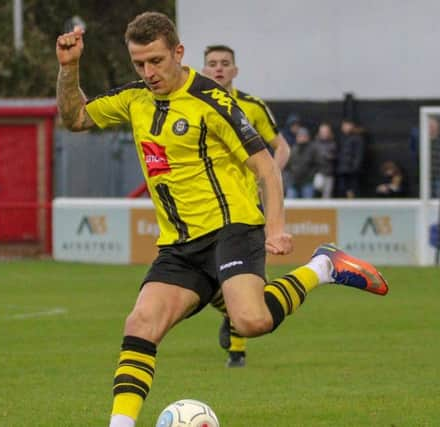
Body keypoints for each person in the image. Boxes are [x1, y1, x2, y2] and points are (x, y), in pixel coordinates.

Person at [55, 12, 389, 427]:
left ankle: (324, 266)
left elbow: (267, 166)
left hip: (232, 229)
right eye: (139, 63)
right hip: (179, 246)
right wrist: (69, 69)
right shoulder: (135, 98)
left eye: (156, 61)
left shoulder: (213, 102)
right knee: (140, 322)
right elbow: (76, 118)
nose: (148, 72)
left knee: (251, 321)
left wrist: (276, 227)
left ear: (178, 52)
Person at [201, 43, 290, 367]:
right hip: (203, 208)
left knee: (242, 275)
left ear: (235, 70)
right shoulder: (190, 104)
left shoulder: (251, 107)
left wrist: (267, 179)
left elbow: (282, 148)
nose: (219, 68)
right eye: (213, 63)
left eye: (225, 63)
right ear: (204, 69)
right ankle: (231, 312)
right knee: (203, 279)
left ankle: (237, 351)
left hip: (243, 207)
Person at [285, 127, 318, 199]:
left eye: (304, 136)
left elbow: (316, 165)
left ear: (308, 137)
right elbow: (287, 166)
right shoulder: (293, 149)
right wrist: (289, 179)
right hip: (293, 182)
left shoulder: (313, 149)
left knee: (308, 205)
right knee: (290, 204)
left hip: (307, 182)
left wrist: (310, 176)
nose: (302, 138)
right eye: (300, 136)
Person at [335, 118, 364, 198]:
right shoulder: (341, 138)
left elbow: (359, 154)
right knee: (342, 190)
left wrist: (354, 168)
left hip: (352, 171)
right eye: (343, 126)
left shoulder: (357, 138)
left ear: (351, 126)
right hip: (341, 170)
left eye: (346, 125)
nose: (344, 127)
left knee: (352, 191)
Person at [313, 122, 337, 198]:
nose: (324, 133)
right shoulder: (315, 144)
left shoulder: (333, 143)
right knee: (317, 187)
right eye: (322, 132)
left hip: (329, 174)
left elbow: (335, 157)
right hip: (319, 172)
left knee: (327, 197)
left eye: (326, 131)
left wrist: (329, 156)